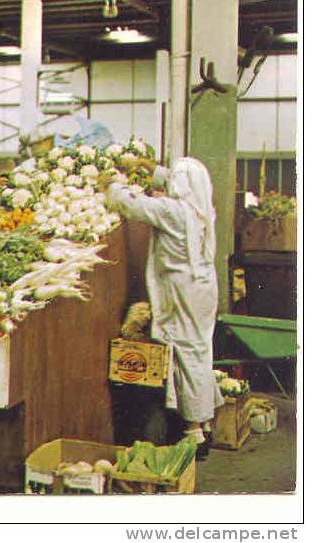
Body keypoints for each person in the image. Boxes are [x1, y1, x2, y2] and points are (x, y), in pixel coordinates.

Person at [101, 155, 224, 455]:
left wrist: (112, 182)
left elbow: (129, 204)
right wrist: (145, 166)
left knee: (184, 354)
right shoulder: (202, 209)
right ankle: (205, 422)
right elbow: (177, 179)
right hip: (203, 288)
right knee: (199, 350)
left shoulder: (174, 211)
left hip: (182, 291)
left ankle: (193, 431)